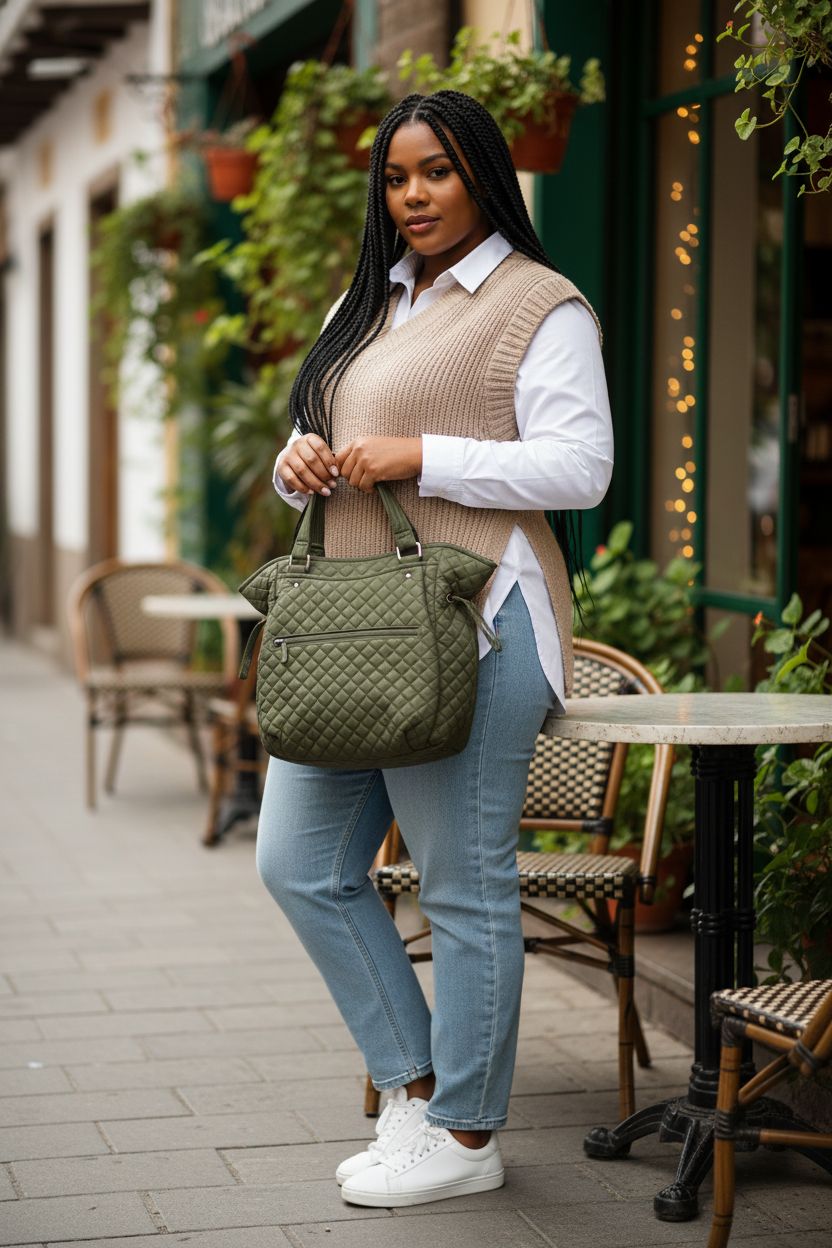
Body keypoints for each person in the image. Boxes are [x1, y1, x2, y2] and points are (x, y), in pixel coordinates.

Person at [255, 88, 613, 1209]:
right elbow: (310, 436)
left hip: (477, 624)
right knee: (299, 863)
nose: (413, 195)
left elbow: (580, 469)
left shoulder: (537, 304)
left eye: (438, 172)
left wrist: (424, 452)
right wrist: (296, 463)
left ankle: (467, 1139)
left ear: (486, 176)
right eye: (398, 176)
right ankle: (413, 1087)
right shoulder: (367, 302)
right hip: (356, 628)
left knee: (461, 886)